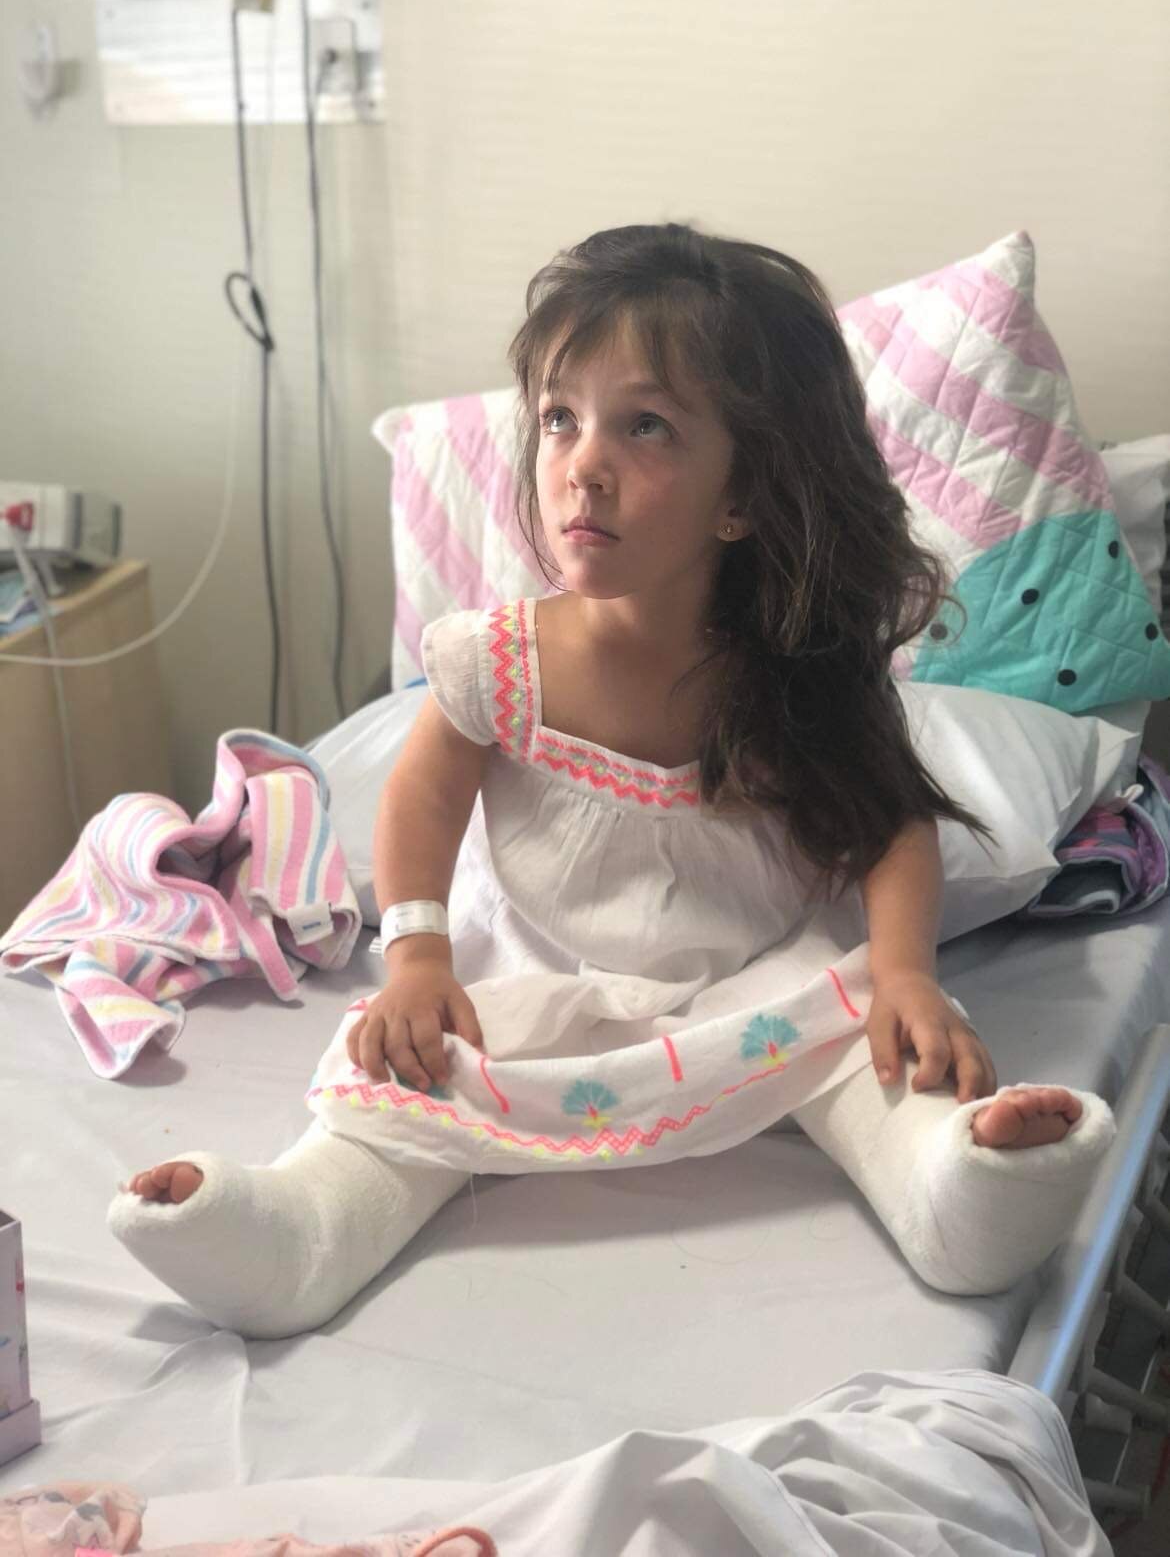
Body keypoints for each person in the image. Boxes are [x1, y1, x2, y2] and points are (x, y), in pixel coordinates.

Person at [109, 223, 1113, 1339]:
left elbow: (890, 828)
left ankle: (959, 1191)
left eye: (646, 427)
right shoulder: (497, 660)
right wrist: (419, 953)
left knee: (869, 1037)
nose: (581, 463)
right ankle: (294, 1235)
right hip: (543, 968)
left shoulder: (795, 677)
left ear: (743, 497)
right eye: (558, 418)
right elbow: (422, 795)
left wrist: (907, 972)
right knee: (407, 1073)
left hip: (748, 976)